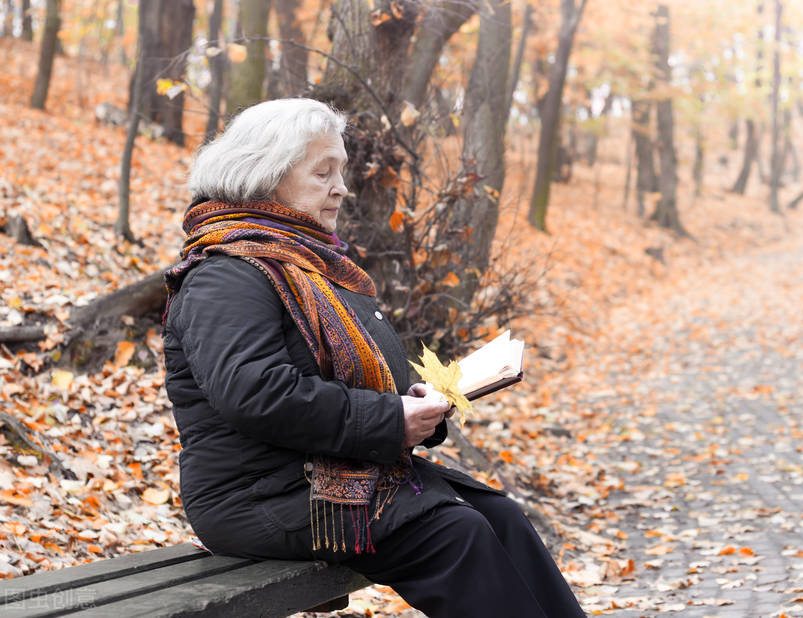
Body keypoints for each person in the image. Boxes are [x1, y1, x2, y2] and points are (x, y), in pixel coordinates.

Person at [162, 98, 585, 618]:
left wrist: (415, 404)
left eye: (340, 171)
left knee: (499, 515)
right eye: (323, 172)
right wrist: (390, 420)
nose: (341, 187)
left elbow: (347, 373)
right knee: (458, 534)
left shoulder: (306, 263)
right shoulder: (225, 274)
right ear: (265, 176)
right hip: (256, 498)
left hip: (319, 475)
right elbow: (257, 393)